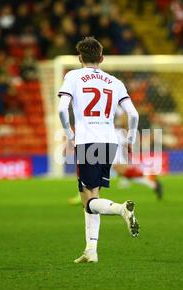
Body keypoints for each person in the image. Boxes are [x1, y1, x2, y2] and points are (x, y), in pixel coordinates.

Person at [58, 37, 140, 263]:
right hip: (109, 140)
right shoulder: (115, 82)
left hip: (87, 140)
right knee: (91, 196)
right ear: (102, 58)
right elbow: (133, 114)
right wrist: (131, 138)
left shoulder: (73, 76)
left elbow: (62, 109)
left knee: (88, 198)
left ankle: (122, 209)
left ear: (79, 58)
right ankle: (91, 250)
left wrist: (69, 133)